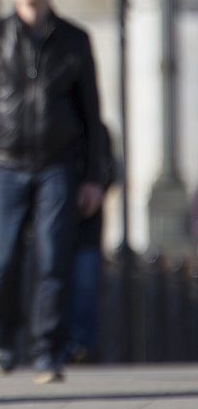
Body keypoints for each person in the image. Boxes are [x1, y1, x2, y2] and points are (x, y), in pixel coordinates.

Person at [0, 0, 106, 384]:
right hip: (6, 165)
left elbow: (91, 114)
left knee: (52, 259)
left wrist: (94, 177)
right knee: (1, 259)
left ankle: (46, 351)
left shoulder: (74, 40)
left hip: (57, 166)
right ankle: (4, 337)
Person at [68, 120, 115, 363]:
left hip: (87, 227)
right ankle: (62, 345)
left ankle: (84, 347)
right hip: (57, 225)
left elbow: (109, 172)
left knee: (85, 288)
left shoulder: (99, 132)